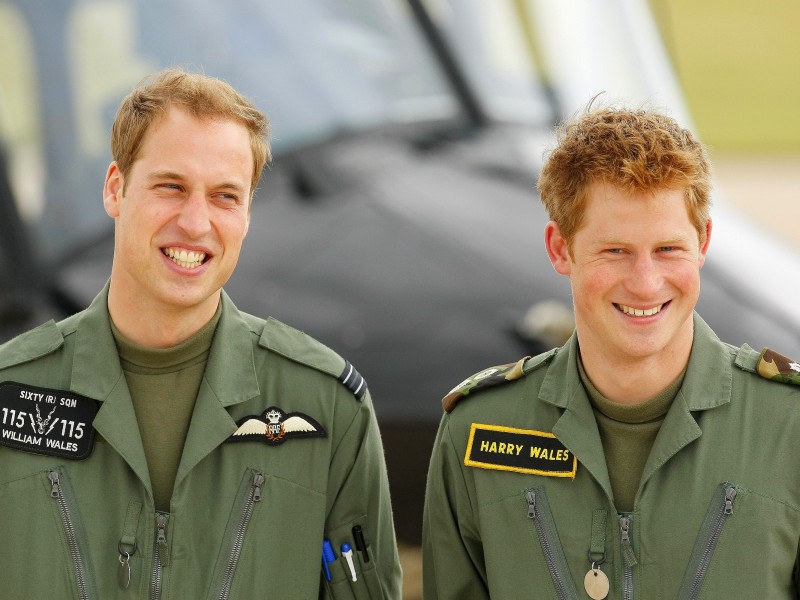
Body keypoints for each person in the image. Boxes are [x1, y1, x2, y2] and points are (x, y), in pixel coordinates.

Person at [0, 68, 401, 599]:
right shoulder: (10, 393)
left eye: (225, 196)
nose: (195, 222)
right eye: (172, 187)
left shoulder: (327, 405)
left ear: (248, 213)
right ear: (116, 189)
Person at [422, 104, 800, 599]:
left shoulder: (790, 424)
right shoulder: (476, 434)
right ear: (561, 249)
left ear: (703, 242)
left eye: (668, 249)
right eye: (615, 251)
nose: (645, 284)